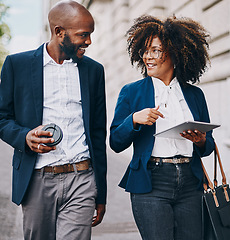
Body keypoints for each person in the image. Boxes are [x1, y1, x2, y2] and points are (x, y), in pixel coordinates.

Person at [0, 1, 107, 239]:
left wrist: (102, 194)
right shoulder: (17, 65)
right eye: (83, 35)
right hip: (37, 178)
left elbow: (98, 134)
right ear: (59, 32)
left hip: (82, 177)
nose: (88, 41)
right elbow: (2, 118)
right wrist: (24, 136)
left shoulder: (94, 71)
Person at [110, 15, 215, 240]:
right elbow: (116, 142)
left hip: (190, 183)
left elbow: (209, 146)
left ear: (175, 53)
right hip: (152, 182)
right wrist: (134, 120)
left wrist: (201, 140)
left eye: (156, 50)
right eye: (145, 50)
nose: (148, 56)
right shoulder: (131, 92)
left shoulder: (194, 95)